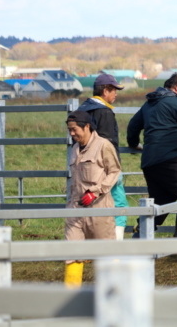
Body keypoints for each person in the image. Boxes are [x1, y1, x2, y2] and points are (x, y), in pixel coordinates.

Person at [127, 72, 177, 237]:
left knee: (161, 201)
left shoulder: (149, 104)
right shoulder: (176, 104)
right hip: (172, 159)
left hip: (150, 162)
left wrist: (134, 144)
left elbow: (132, 126)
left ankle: (140, 236)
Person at [64, 110, 121, 288]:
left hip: (99, 209)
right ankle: (70, 301)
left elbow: (114, 171)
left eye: (74, 130)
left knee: (106, 255)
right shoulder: (74, 149)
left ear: (86, 126)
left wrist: (96, 192)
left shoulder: (104, 145)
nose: (72, 134)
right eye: (69, 130)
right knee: (71, 254)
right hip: (75, 209)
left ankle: (113, 298)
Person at [78, 72, 128, 240]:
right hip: (105, 168)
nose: (116, 94)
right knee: (119, 205)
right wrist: (113, 170)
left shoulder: (82, 110)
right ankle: (116, 244)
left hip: (84, 167)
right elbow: (107, 143)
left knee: (90, 206)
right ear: (105, 90)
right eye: (114, 90)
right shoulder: (104, 112)